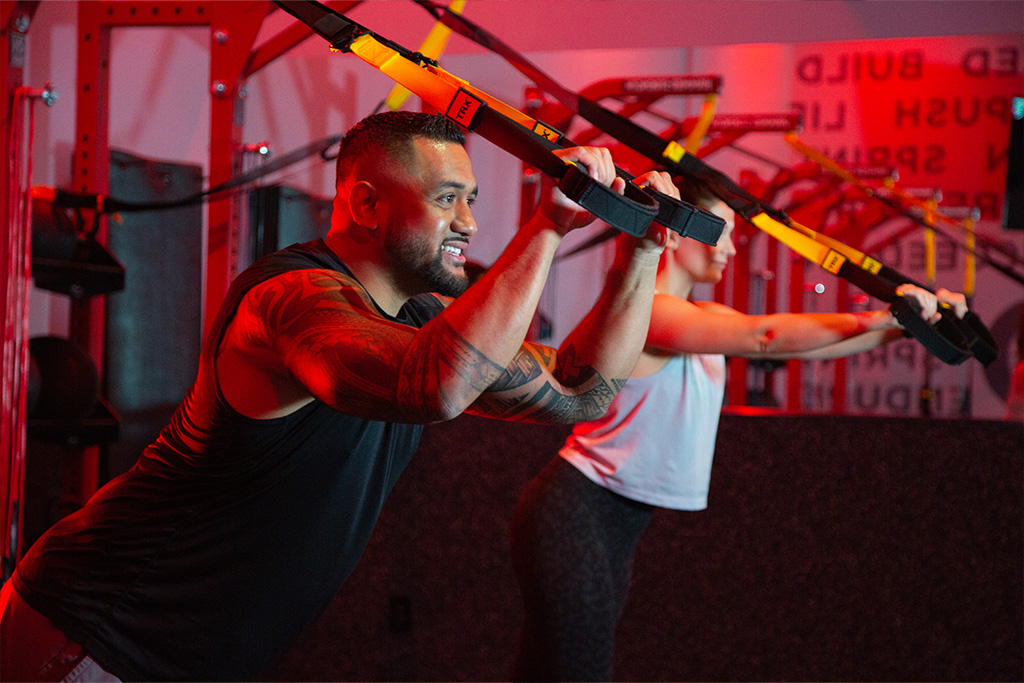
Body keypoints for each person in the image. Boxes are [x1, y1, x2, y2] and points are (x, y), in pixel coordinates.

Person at [0, 111, 672, 682]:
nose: (468, 221)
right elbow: (434, 386)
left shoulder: (417, 323)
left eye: (471, 198)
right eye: (446, 199)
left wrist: (643, 252)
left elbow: (584, 392)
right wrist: (547, 229)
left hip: (188, 656)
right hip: (92, 630)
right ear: (367, 203)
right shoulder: (290, 300)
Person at [508, 179, 969, 682]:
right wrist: (883, 315)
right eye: (720, 232)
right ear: (678, 236)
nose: (731, 247)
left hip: (611, 523)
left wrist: (905, 327)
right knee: (577, 673)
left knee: (546, 670)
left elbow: (803, 347)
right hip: (576, 511)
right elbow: (765, 336)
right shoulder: (651, 313)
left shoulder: (704, 317)